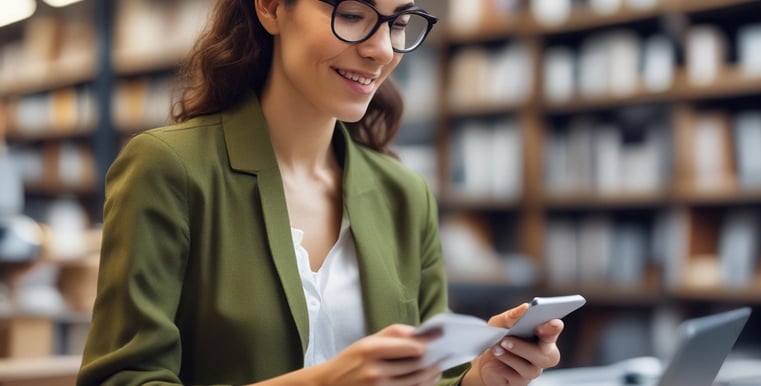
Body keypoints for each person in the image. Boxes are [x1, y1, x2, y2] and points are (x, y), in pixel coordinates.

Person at [77, 0, 564, 385]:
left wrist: (477, 376)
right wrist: (326, 381)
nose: (382, 50)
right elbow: (123, 379)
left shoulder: (405, 194)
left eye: (398, 23)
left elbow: (429, 374)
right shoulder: (169, 168)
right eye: (352, 15)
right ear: (270, 7)